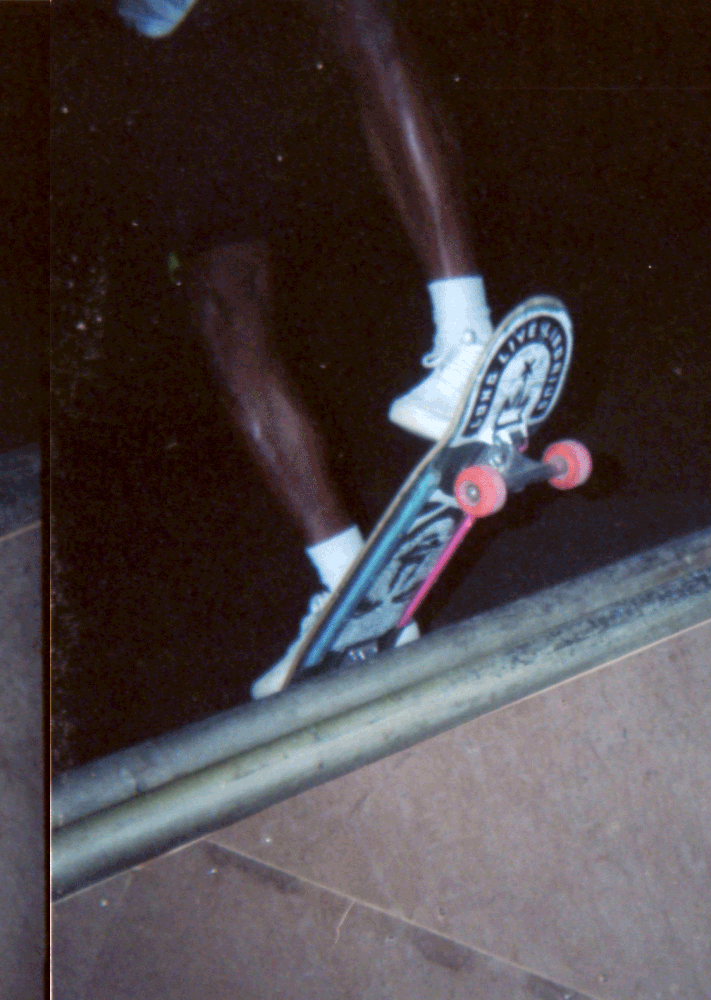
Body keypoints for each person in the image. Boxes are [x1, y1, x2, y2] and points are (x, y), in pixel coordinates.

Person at [114, 0, 497, 696]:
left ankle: (466, 333)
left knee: (363, 21)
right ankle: (348, 586)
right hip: (174, 43)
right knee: (221, 293)